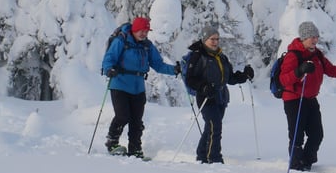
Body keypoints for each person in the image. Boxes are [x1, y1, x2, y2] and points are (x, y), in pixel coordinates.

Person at [279, 21, 336, 171]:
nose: (314, 40)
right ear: (303, 38)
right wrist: (300, 71)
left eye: (316, 36)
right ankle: (295, 166)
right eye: (311, 37)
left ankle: (306, 162)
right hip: (294, 100)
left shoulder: (317, 54)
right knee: (297, 136)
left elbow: (331, 70)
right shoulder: (293, 55)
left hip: (311, 99)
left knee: (317, 134)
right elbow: (283, 79)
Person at [101, 16, 181, 158]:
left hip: (138, 87)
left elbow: (158, 64)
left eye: (146, 31)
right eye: (141, 30)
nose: (143, 33)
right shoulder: (122, 41)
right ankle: (112, 142)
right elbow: (109, 58)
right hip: (119, 84)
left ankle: (135, 149)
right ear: (134, 29)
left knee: (136, 120)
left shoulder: (147, 46)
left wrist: (174, 70)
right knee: (122, 116)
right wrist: (109, 69)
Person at [184, 26, 254, 164]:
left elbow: (230, 78)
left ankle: (202, 155)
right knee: (215, 126)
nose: (215, 42)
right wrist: (203, 87)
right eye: (212, 39)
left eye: (217, 39)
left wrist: (244, 75)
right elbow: (190, 79)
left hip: (221, 97)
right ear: (204, 39)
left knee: (211, 127)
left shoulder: (221, 56)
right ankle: (214, 158)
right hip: (205, 97)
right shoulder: (198, 56)